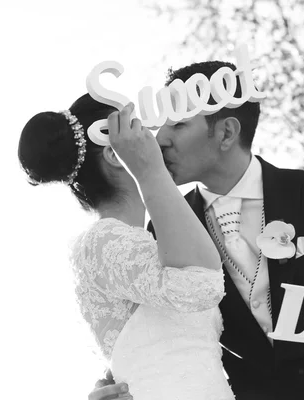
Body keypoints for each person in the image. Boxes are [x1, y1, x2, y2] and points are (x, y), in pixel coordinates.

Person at [89, 61, 304, 400]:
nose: (160, 139)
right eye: (160, 126)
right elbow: (158, 338)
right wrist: (119, 386)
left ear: (226, 132)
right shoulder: (163, 231)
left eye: (178, 125)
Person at [18, 94, 236, 400]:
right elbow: (201, 283)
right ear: (113, 152)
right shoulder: (102, 242)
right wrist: (149, 171)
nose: (155, 138)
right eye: (137, 129)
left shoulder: (142, 246)